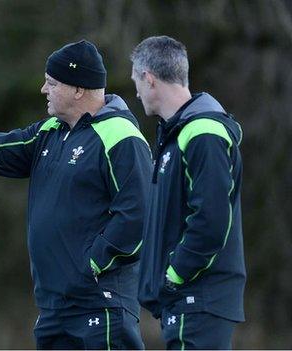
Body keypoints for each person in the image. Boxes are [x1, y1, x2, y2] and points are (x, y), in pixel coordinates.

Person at [0, 39, 151, 349]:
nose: (44, 90)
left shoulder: (120, 137)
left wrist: (92, 264)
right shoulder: (51, 131)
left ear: (79, 89)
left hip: (100, 304)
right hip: (55, 306)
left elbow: (138, 217)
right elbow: (0, 147)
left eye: (52, 83)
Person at [130, 36, 245, 349]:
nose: (137, 93)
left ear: (149, 79)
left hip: (200, 298)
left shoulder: (202, 133)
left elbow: (211, 220)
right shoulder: (178, 134)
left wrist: (173, 276)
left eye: (136, 83)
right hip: (186, 302)